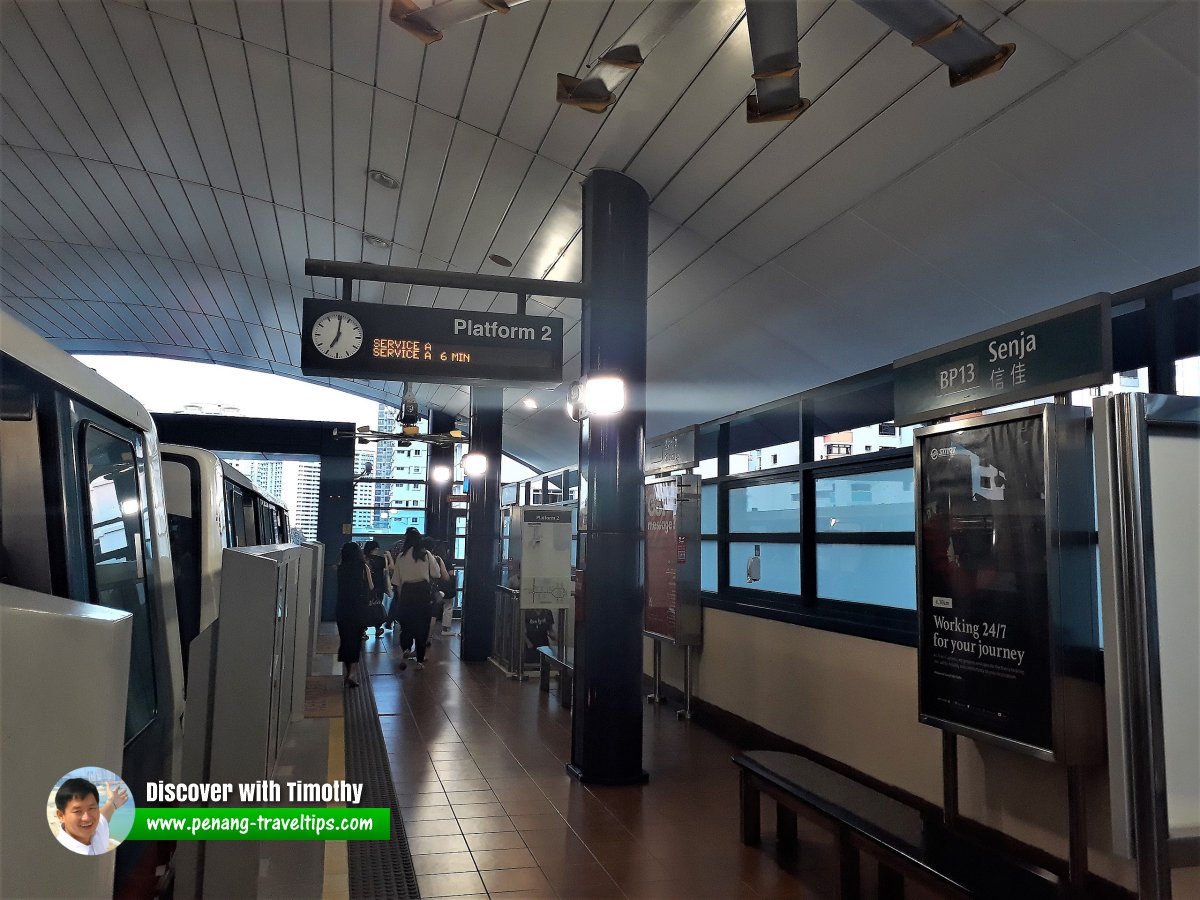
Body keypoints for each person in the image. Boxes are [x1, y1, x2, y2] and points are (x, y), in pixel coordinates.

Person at [337, 542, 386, 687]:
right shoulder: (363, 567)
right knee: (355, 640)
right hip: (359, 608)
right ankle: (352, 672)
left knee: (345, 639)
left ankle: (347, 671)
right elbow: (371, 587)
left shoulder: (340, 568)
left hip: (342, 607)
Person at [392, 527, 440, 670]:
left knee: (406, 625)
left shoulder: (401, 556)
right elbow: (436, 573)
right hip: (423, 593)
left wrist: (401, 598)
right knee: (422, 627)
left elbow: (397, 581)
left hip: (407, 593)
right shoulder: (426, 554)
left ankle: (406, 648)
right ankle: (419, 661)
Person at [54, 777, 127, 855]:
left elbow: (105, 813)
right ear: (61, 816)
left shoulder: (97, 829)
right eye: (77, 811)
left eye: (91, 808)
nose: (87, 818)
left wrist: (112, 802)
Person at [423, 538, 451, 647]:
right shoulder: (437, 559)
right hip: (433, 590)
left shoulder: (418, 559)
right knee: (432, 615)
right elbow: (446, 577)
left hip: (420, 589)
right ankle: (428, 638)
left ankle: (419, 637)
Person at [363, 540, 392, 639]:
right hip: (378, 588)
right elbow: (391, 568)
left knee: (365, 608)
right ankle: (378, 629)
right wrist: (388, 557)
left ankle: (363, 631)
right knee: (377, 608)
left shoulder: (363, 559)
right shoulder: (380, 560)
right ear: (375, 549)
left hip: (364, 588)